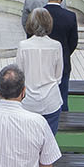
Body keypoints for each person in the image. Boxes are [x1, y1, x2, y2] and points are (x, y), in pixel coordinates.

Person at [14, 8, 65, 136]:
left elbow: (20, 73)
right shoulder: (56, 45)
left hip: (29, 100)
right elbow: (58, 75)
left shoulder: (23, 45)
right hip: (51, 100)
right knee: (49, 140)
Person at [42, 0, 79, 99]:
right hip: (63, 61)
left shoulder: (38, 15)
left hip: (42, 60)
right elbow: (73, 41)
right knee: (62, 97)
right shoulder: (70, 16)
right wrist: (65, 52)